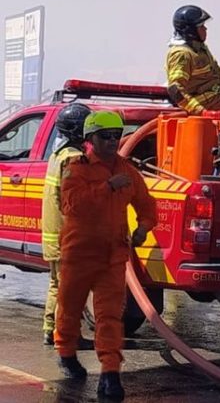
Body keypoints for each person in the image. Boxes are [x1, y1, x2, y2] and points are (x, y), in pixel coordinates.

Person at [55, 110, 156, 400]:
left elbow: (147, 205)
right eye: (106, 136)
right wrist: (106, 187)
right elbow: (73, 206)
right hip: (79, 254)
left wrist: (144, 228)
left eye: (117, 135)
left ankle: (110, 373)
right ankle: (66, 351)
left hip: (113, 256)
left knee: (110, 316)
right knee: (70, 308)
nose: (113, 141)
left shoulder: (127, 171)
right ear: (90, 139)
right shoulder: (77, 168)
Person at [41, 102, 91, 346]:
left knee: (56, 284)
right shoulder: (74, 158)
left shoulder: (57, 155)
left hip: (54, 235)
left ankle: (50, 329)